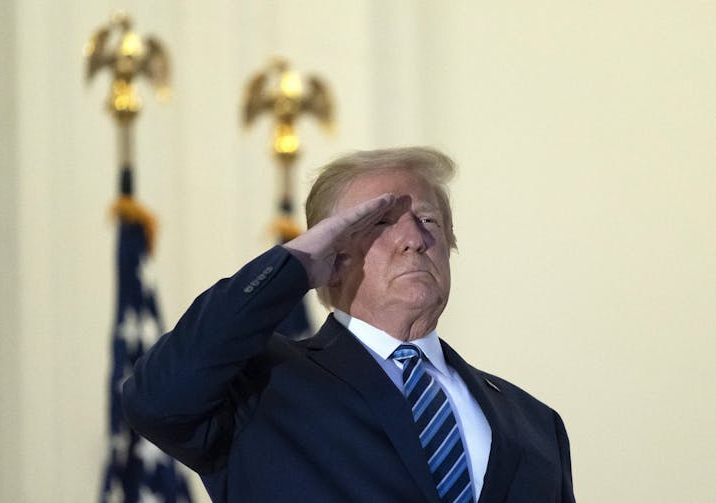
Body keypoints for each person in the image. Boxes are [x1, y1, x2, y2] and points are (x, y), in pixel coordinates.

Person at [122, 147, 576, 503]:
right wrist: (292, 266)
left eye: (428, 220)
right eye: (380, 222)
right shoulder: (259, 388)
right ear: (330, 253)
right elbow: (156, 400)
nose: (414, 240)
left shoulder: (534, 422)